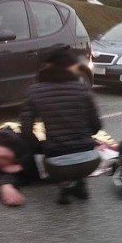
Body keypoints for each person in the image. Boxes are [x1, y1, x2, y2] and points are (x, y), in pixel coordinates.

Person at [20, 48, 102, 205]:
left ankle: (65, 185)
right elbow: (96, 126)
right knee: (78, 148)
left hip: (56, 166)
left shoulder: (34, 91)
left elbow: (25, 131)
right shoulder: (82, 89)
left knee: (51, 152)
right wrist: (81, 136)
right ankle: (80, 184)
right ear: (68, 67)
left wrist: (40, 147)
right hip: (91, 162)